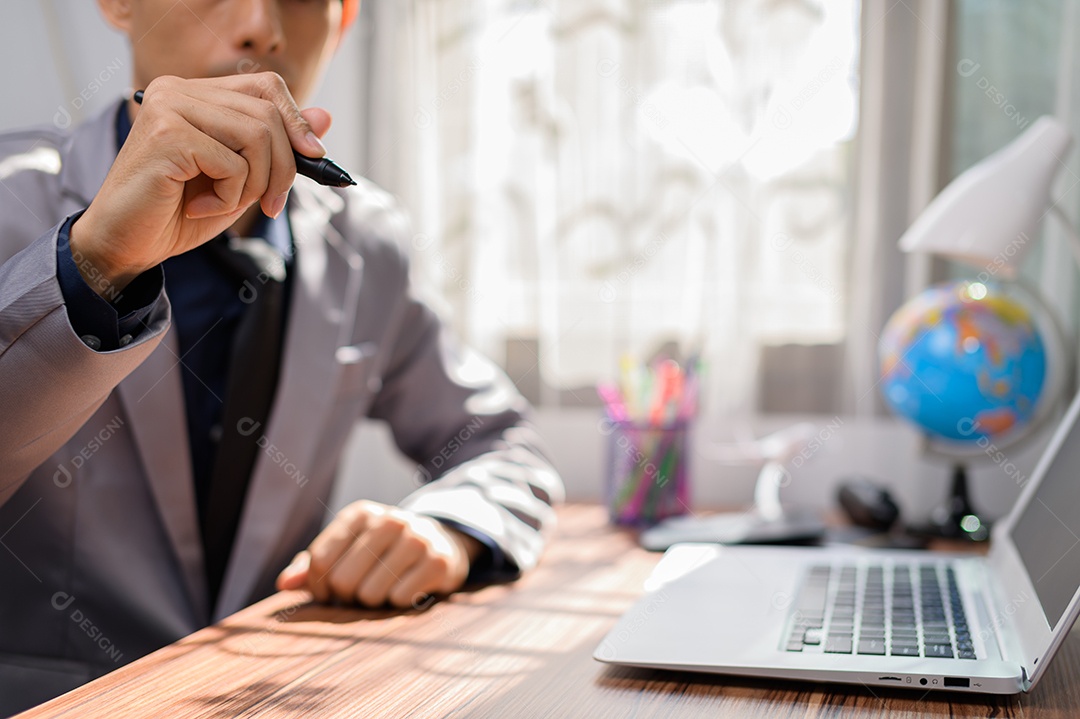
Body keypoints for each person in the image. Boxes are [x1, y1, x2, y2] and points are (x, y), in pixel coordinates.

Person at [0, 0, 563, 713]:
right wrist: (96, 263)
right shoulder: (7, 200)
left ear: (346, 18)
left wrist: (446, 528)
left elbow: (501, 446)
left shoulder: (368, 243)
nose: (260, 25)